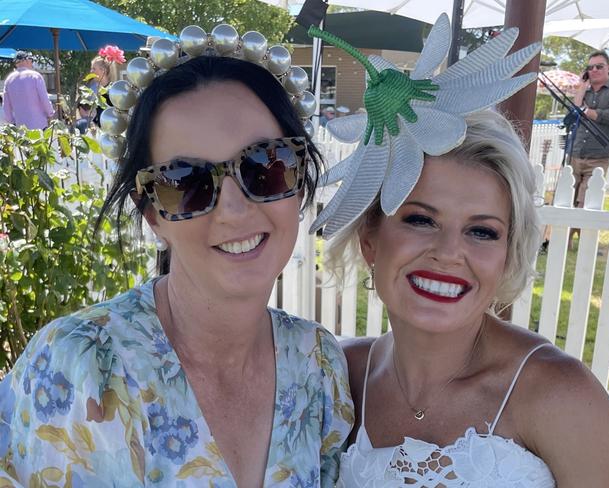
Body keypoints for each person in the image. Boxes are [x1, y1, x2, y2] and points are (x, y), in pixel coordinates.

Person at [0, 26, 353, 487]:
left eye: (265, 165)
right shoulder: (79, 366)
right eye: (185, 182)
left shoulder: (318, 366)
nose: (233, 208)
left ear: (299, 173)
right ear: (152, 214)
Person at [309, 15, 609, 487]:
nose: (449, 253)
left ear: (508, 251)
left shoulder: (555, 393)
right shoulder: (337, 379)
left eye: (482, 232)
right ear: (370, 238)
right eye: (421, 220)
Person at [571, 50, 609, 209]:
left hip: (598, 156)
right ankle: (565, 235)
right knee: (566, 200)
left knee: (585, 204)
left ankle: (580, 234)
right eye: (590, 67)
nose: (594, 70)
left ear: (608, 68)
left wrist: (588, 112)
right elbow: (574, 112)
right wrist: (582, 87)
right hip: (575, 154)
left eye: (599, 66)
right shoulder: (584, 92)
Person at [2, 51, 54, 130]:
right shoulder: (35, 76)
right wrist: (50, 114)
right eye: (30, 59)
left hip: (20, 128)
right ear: (25, 60)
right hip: (39, 126)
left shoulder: (9, 80)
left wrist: (11, 122)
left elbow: (6, 106)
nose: (31, 62)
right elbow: (44, 99)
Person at [89, 45, 124, 126]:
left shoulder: (112, 91)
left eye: (94, 69)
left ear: (103, 70)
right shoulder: (99, 90)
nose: (91, 71)